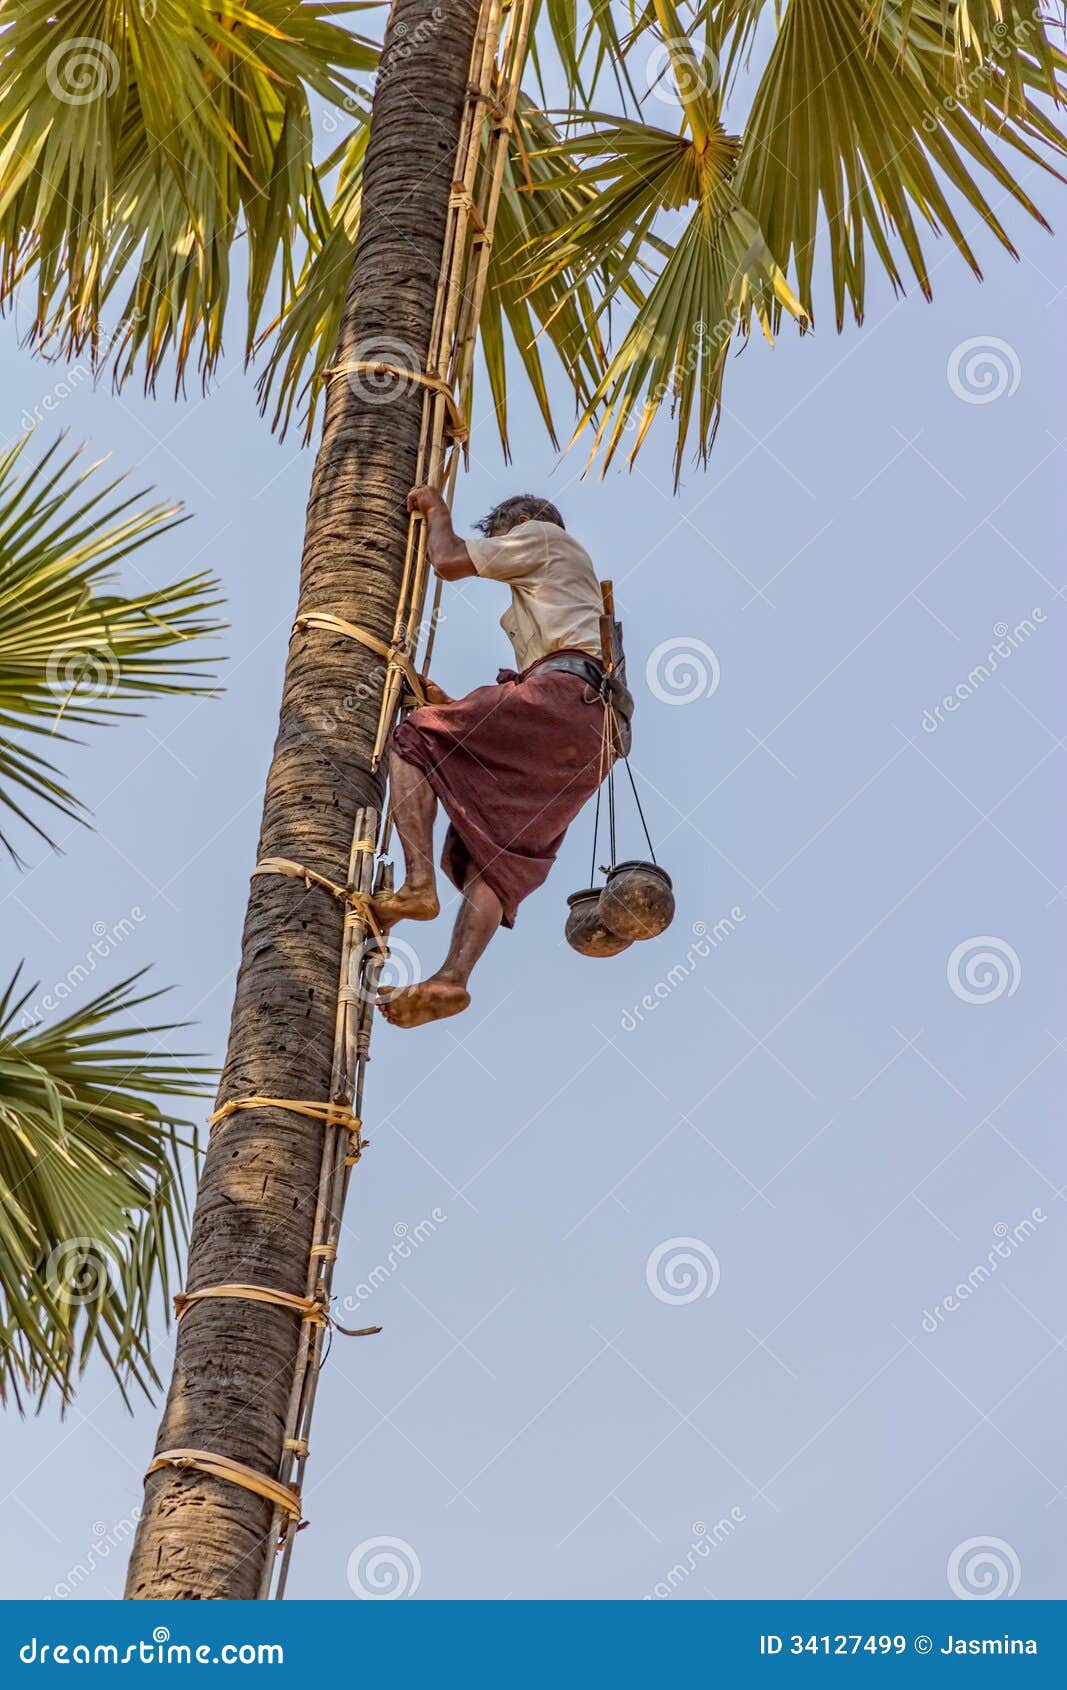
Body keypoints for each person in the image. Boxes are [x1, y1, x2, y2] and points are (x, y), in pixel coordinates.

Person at [373, 485, 631, 1029]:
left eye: (498, 539)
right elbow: (537, 689)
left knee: (415, 737)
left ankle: (418, 884)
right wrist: (456, 707)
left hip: (564, 700)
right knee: (496, 856)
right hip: (595, 737)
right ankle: (451, 979)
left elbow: (446, 560)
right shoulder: (565, 587)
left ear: (516, 524)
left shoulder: (541, 537)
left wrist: (435, 510)